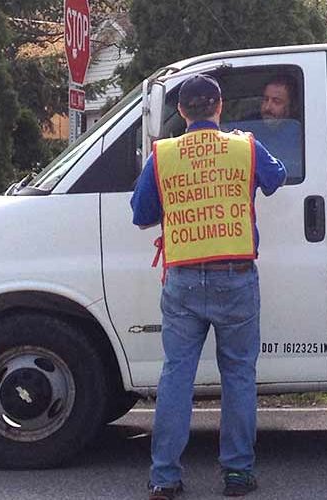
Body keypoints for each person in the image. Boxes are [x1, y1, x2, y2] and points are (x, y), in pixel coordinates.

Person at [130, 74, 286, 500]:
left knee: (176, 376)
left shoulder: (163, 155)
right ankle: (237, 473)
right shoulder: (245, 146)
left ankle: (164, 478)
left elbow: (141, 214)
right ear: (219, 106)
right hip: (235, 277)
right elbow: (277, 177)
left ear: (181, 111)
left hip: (182, 280)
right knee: (238, 375)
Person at [229, 75, 303, 182]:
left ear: (291, 106)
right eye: (265, 100)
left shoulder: (300, 134)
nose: (267, 107)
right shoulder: (251, 127)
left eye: (276, 102)